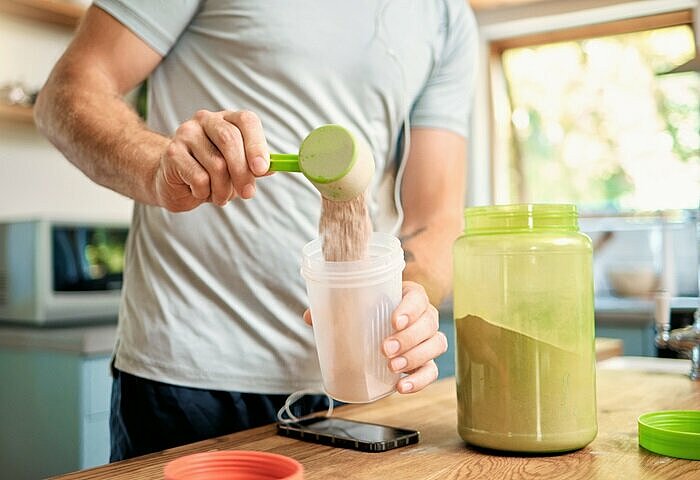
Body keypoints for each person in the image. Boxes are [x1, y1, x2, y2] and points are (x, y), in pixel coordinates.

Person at [34, 0, 478, 461]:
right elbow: (65, 94)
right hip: (187, 379)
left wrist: (411, 303)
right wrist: (158, 168)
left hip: (353, 389)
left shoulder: (446, 17)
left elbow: (437, 220)